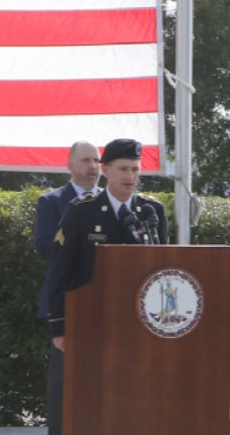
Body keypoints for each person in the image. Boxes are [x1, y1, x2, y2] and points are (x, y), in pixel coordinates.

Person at [44, 137, 168, 350]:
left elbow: (163, 267)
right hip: (91, 317)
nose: (130, 176)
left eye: (135, 170)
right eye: (122, 169)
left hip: (141, 322)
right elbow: (60, 270)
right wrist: (59, 327)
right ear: (105, 170)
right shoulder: (82, 211)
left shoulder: (152, 211)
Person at [34, 141, 101, 435]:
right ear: (70, 165)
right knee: (64, 377)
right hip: (70, 299)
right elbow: (47, 247)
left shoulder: (111, 203)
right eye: (86, 161)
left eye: (97, 161)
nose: (92, 167)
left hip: (108, 298)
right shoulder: (52, 203)